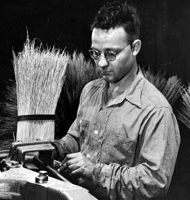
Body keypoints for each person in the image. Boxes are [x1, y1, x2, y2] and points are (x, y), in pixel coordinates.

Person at [52, 1, 180, 199]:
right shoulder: (90, 91)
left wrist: (95, 171)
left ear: (135, 47)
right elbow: (77, 137)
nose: (101, 63)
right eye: (95, 53)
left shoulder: (156, 110)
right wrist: (56, 148)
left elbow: (155, 181)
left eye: (111, 54)